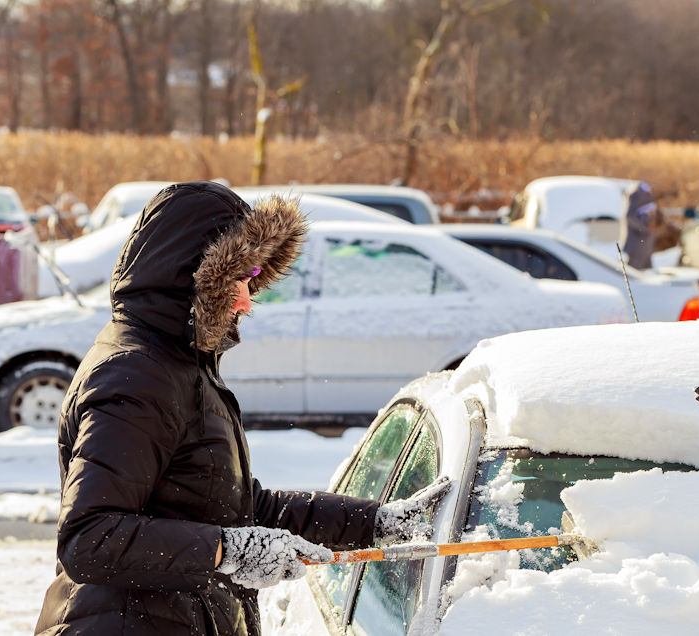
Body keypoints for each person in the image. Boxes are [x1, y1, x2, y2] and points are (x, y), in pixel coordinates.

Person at [35, 181, 451, 635]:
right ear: (195, 275)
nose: (247, 302)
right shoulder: (136, 375)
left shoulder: (182, 366)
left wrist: (378, 522)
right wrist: (227, 550)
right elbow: (90, 538)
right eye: (240, 280)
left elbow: (239, 509)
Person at [621, 181, 659, 269]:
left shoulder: (650, 192)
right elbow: (629, 217)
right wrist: (644, 229)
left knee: (647, 275)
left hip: (646, 247)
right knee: (633, 276)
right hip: (636, 246)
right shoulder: (635, 193)